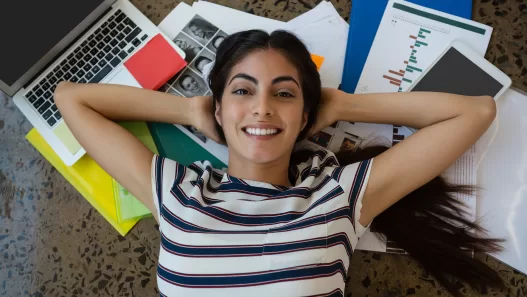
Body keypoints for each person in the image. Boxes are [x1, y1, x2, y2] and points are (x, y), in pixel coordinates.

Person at [54, 30, 503, 297]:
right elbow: (71, 98)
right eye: (243, 90)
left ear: (306, 115)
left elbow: (475, 112)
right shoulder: (179, 195)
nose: (263, 108)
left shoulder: (336, 197)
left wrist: (345, 104)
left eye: (284, 93)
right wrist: (190, 110)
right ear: (220, 107)